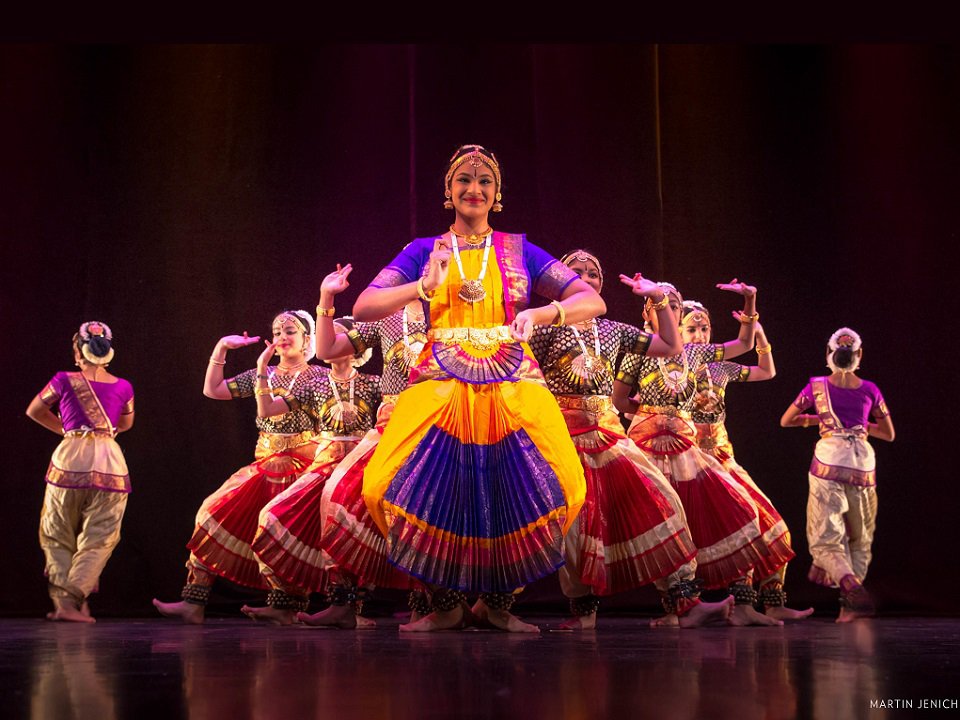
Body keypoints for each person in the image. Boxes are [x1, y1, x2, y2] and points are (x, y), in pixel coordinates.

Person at [353, 144, 605, 632]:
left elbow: (590, 298)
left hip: (513, 377)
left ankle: (499, 601)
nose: (474, 188)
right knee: (382, 485)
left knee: (563, 486)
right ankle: (443, 601)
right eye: (463, 180)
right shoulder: (424, 250)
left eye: (484, 180)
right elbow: (365, 306)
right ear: (448, 192)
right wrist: (421, 288)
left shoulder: (519, 249)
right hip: (440, 377)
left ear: (498, 193)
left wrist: (542, 311)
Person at [528, 251, 735, 629]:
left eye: (594, 273)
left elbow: (671, 346)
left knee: (662, 502)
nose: (587, 277)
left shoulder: (612, 331)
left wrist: (657, 298)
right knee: (576, 527)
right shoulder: (543, 330)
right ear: (560, 281)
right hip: (562, 439)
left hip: (609, 436)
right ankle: (582, 613)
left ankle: (683, 602)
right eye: (577, 272)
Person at [152, 310, 345, 623]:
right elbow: (213, 390)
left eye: (290, 331)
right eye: (277, 331)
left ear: (308, 339)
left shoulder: (321, 378)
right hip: (264, 464)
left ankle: (285, 605)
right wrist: (221, 349)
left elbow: (333, 421)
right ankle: (194, 601)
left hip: (304, 466)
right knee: (211, 512)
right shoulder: (263, 375)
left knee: (282, 533)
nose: (282, 337)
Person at [613, 281, 784, 626]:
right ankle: (678, 607)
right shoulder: (639, 351)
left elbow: (745, 344)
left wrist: (751, 301)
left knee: (736, 510)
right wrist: (651, 413)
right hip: (648, 445)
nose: (672, 310)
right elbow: (619, 400)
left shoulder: (699, 355)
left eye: (676, 305)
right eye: (665, 304)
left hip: (686, 448)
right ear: (649, 312)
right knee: (661, 523)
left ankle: (719, 603)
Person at [246, 315, 381, 625]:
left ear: (353, 346)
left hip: (361, 465)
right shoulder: (314, 384)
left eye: (336, 337)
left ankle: (351, 609)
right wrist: (262, 373)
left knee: (356, 531)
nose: (327, 343)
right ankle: (299, 600)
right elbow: (267, 411)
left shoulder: (372, 384)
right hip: (324, 464)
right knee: (272, 516)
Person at [684, 300, 812, 622]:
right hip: (690, 462)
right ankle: (738, 607)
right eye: (691, 329)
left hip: (724, 458)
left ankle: (772, 600)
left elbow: (767, 371)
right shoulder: (670, 367)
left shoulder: (720, 367)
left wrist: (759, 331)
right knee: (743, 523)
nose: (699, 335)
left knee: (774, 527)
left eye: (704, 328)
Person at [780, 327, 894, 622]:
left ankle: (849, 584)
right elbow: (889, 434)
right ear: (859, 356)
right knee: (860, 536)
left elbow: (786, 420)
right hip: (862, 463)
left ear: (829, 355)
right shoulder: (871, 389)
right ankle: (848, 608)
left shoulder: (817, 387)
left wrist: (820, 421)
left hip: (829, 460)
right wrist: (860, 427)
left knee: (826, 536)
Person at [27, 321, 135, 622]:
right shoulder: (124, 386)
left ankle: (64, 603)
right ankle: (77, 597)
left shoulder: (64, 379)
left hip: (71, 459)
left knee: (57, 531)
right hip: (109, 462)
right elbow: (125, 425)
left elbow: (34, 410)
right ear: (108, 352)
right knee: (100, 536)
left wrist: (69, 430)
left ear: (78, 352)